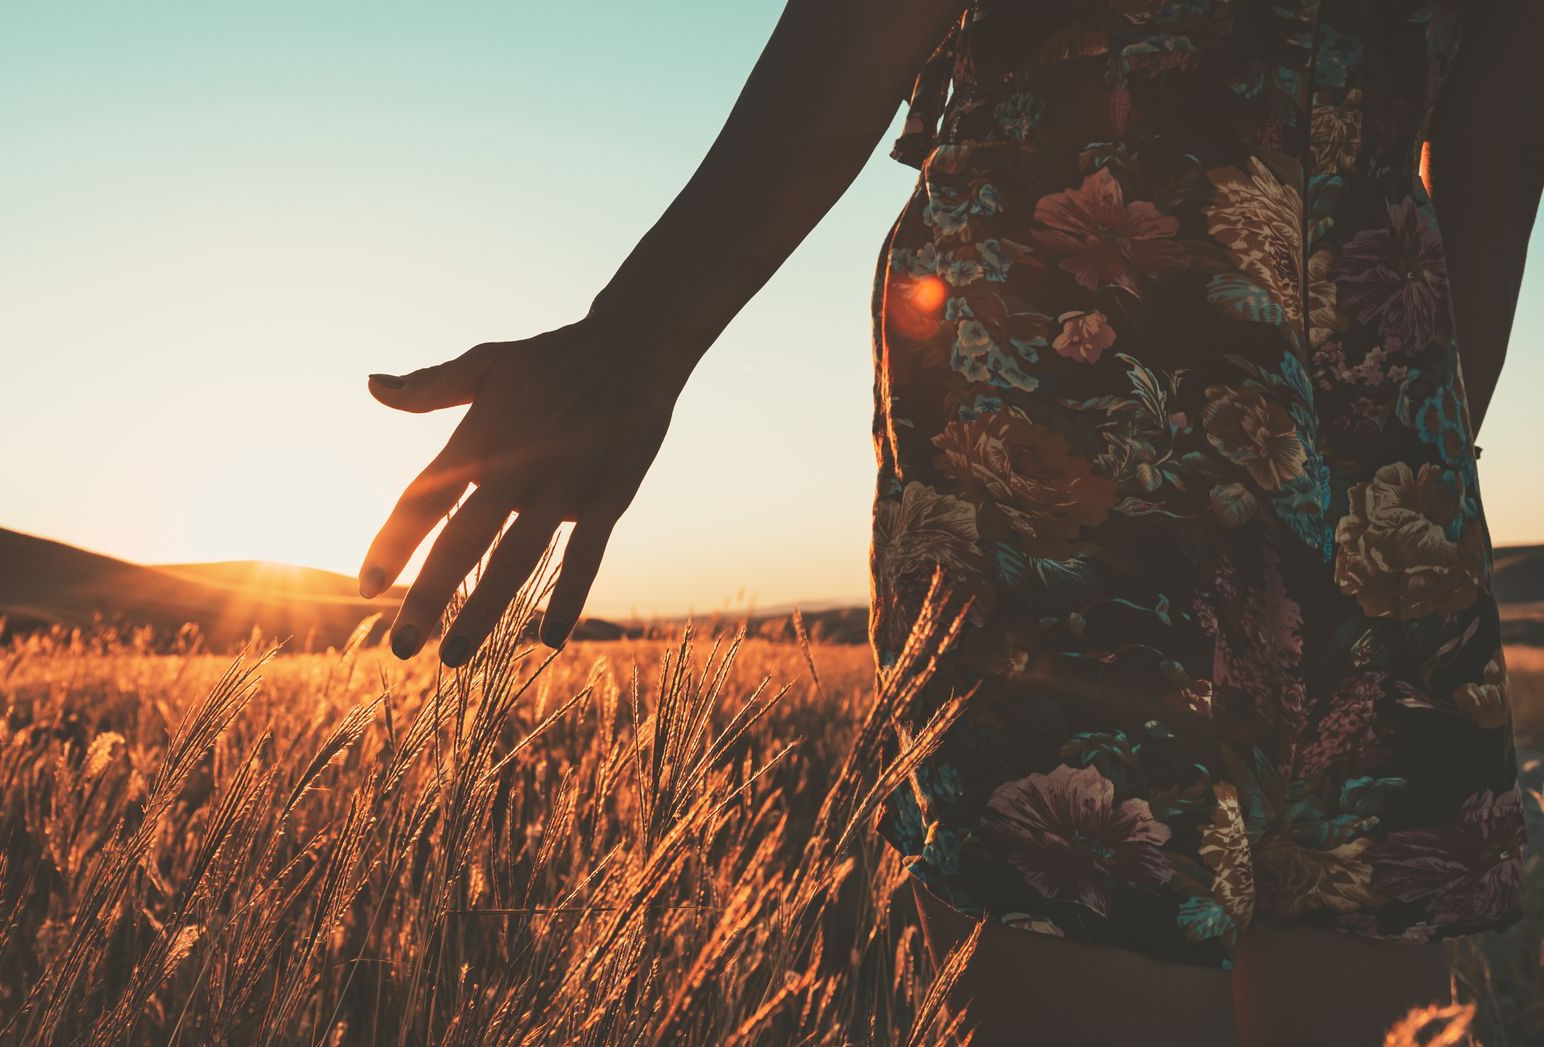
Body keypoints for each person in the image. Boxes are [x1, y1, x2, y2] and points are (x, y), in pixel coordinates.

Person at [353, 1, 1543, 1043]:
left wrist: (634, 343)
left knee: (1090, 911)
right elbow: (1496, 153)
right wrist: (1403, 473)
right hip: (1383, 445)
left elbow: (864, 27)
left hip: (1072, 406)